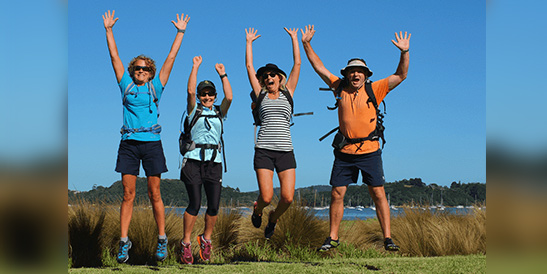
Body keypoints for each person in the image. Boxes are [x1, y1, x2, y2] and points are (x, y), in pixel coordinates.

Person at [301, 25, 410, 252]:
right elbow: (318, 67)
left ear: (366, 74)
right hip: (344, 152)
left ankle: (388, 238)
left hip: (370, 150)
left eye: (360, 71)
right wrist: (306, 44)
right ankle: (332, 238)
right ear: (346, 74)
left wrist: (404, 52)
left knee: (378, 193)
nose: (355, 74)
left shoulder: (375, 89)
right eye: (352, 71)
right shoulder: (339, 87)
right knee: (337, 193)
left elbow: (401, 75)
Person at [102, 10, 190, 263]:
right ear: (132, 71)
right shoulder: (125, 85)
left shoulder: (156, 87)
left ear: (151, 72)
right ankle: (123, 241)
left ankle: (162, 239)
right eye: (138, 68)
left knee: (154, 194)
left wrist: (180, 32)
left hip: (152, 144)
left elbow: (171, 57)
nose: (141, 70)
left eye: (146, 68)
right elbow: (114, 56)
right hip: (128, 144)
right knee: (128, 194)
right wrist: (109, 30)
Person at [245, 27, 301, 239]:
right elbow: (249, 66)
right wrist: (249, 42)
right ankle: (258, 210)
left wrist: (295, 39)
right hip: (264, 151)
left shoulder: (289, 93)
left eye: (272, 74)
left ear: (280, 78)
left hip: (286, 151)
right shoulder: (260, 95)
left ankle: (273, 218)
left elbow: (297, 64)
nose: (269, 77)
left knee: (287, 198)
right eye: (265, 76)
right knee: (266, 197)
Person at [179, 56, 232, 264]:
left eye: (210, 94)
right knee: (195, 203)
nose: (207, 96)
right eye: (204, 94)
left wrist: (223, 75)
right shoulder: (194, 110)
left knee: (214, 206)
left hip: (214, 162)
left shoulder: (220, 112)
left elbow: (230, 96)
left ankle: (205, 239)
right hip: (192, 161)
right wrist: (194, 67)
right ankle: (186, 243)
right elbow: (190, 92)